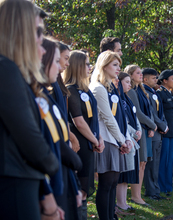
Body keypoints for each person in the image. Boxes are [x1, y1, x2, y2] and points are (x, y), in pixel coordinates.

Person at [0, 1, 59, 219]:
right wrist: (55, 165)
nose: (41, 45)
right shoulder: (5, 68)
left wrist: (45, 191)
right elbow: (28, 137)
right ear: (21, 31)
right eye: (38, 33)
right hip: (14, 187)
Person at [41, 37, 84, 220]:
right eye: (57, 60)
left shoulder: (51, 91)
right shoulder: (40, 95)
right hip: (53, 176)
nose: (61, 65)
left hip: (63, 171)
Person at [89, 51, 132, 220]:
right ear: (104, 65)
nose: (118, 68)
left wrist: (126, 139)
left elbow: (120, 117)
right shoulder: (98, 87)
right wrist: (122, 141)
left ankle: (110, 216)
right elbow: (107, 118)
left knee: (113, 183)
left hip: (115, 140)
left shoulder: (111, 87)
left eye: (118, 64)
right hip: (106, 140)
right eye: (115, 64)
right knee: (106, 185)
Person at [63, 50, 104, 220]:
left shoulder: (85, 89)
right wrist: (95, 140)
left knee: (86, 188)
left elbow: (93, 118)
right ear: (78, 66)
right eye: (87, 64)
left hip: (91, 141)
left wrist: (99, 138)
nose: (90, 67)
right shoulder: (70, 90)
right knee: (80, 188)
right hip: (80, 143)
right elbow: (78, 122)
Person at [125, 64, 157, 205]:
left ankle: (138, 195)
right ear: (130, 75)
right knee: (139, 163)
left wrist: (151, 127)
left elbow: (148, 110)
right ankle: (135, 196)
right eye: (137, 73)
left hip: (145, 129)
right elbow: (137, 112)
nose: (140, 75)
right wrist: (152, 124)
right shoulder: (131, 91)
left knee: (143, 162)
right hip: (138, 130)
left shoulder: (141, 90)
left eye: (140, 73)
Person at [116, 72, 141, 211]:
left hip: (133, 137)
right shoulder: (117, 98)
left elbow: (134, 116)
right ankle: (120, 202)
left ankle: (124, 201)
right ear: (119, 82)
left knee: (129, 172)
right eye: (126, 82)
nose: (129, 85)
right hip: (125, 138)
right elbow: (122, 119)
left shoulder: (128, 98)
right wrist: (132, 132)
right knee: (123, 172)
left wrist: (139, 130)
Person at [142, 68, 169, 199]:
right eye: (153, 78)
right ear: (145, 79)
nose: (156, 80)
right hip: (152, 131)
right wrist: (160, 125)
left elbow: (160, 111)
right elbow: (151, 112)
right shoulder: (144, 92)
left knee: (156, 163)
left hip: (159, 131)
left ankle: (156, 190)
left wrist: (164, 124)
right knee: (150, 164)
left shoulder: (155, 92)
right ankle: (150, 191)